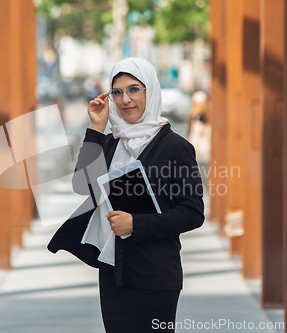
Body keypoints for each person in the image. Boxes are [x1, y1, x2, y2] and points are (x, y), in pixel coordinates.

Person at [48, 57, 205, 333]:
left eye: (134, 89)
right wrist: (96, 129)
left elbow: (192, 212)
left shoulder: (175, 148)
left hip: (155, 277)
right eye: (117, 92)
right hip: (114, 273)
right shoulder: (111, 142)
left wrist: (136, 224)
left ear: (150, 91)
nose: (125, 100)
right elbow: (82, 185)